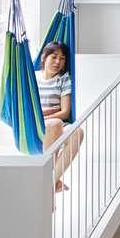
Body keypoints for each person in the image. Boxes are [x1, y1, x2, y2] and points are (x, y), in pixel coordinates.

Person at [37, 41, 83, 193]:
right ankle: (50, 184)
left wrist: (43, 112)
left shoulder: (64, 80)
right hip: (37, 126)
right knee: (55, 122)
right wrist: (45, 113)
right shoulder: (33, 79)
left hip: (58, 124)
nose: (58, 62)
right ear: (44, 57)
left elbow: (65, 112)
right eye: (54, 56)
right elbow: (28, 112)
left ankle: (49, 182)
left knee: (78, 131)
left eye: (62, 58)